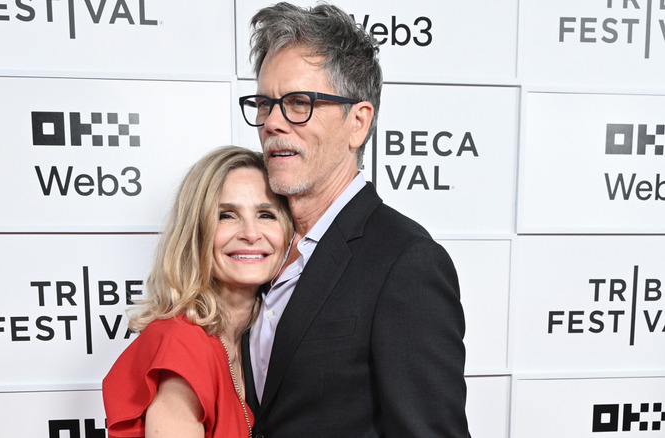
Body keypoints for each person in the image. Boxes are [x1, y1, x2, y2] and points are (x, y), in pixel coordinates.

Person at [238, 3, 470, 437]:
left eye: (298, 103)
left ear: (358, 123)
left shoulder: (406, 264)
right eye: (265, 104)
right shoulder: (255, 246)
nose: (271, 123)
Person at [102, 146, 293, 438]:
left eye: (266, 214)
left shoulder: (253, 340)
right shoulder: (183, 343)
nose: (251, 233)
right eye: (226, 216)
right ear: (197, 233)